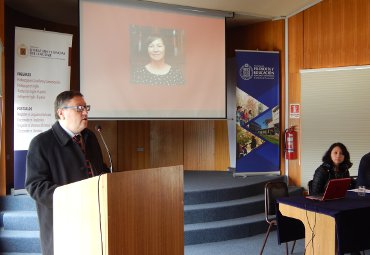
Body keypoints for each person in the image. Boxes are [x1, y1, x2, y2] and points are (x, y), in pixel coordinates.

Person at [25, 90, 109, 255]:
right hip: (64, 223)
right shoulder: (41, 143)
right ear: (61, 113)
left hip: (94, 218)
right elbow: (35, 186)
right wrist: (70, 198)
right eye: (79, 108)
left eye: (86, 108)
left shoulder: (90, 137)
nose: (85, 112)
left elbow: (98, 169)